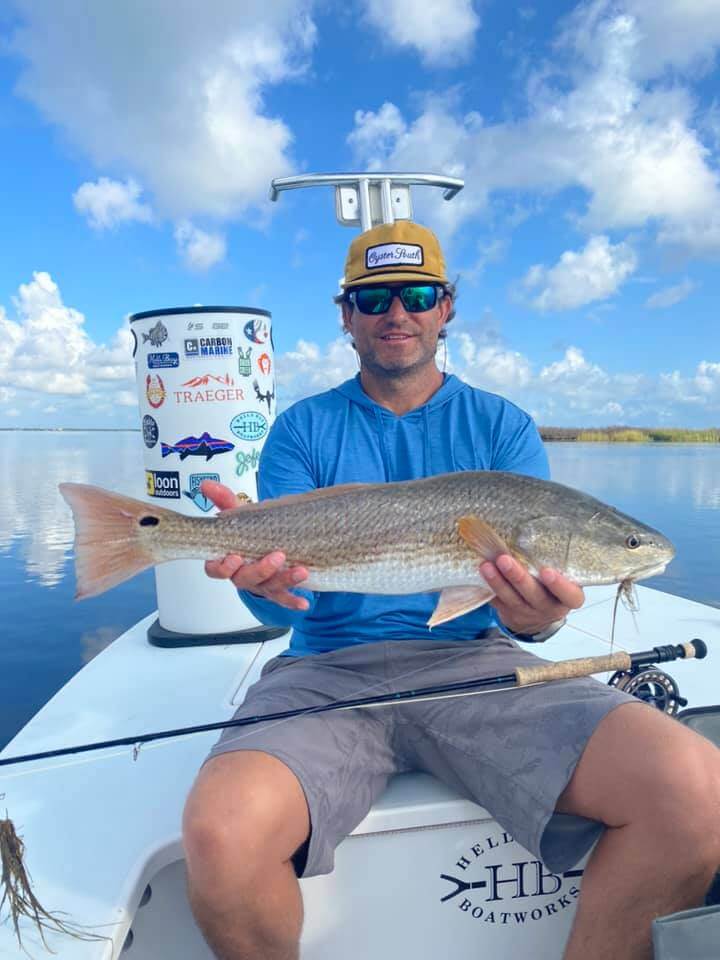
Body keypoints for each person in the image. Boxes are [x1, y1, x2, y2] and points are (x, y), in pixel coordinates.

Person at [182, 221, 720, 960]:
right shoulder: (301, 429)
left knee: (697, 787)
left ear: (446, 308)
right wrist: (262, 587)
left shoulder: (502, 427)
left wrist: (535, 624)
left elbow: (528, 615)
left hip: (478, 664)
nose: (395, 312)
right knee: (221, 832)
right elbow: (281, 598)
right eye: (373, 299)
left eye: (417, 294)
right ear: (345, 316)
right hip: (325, 671)